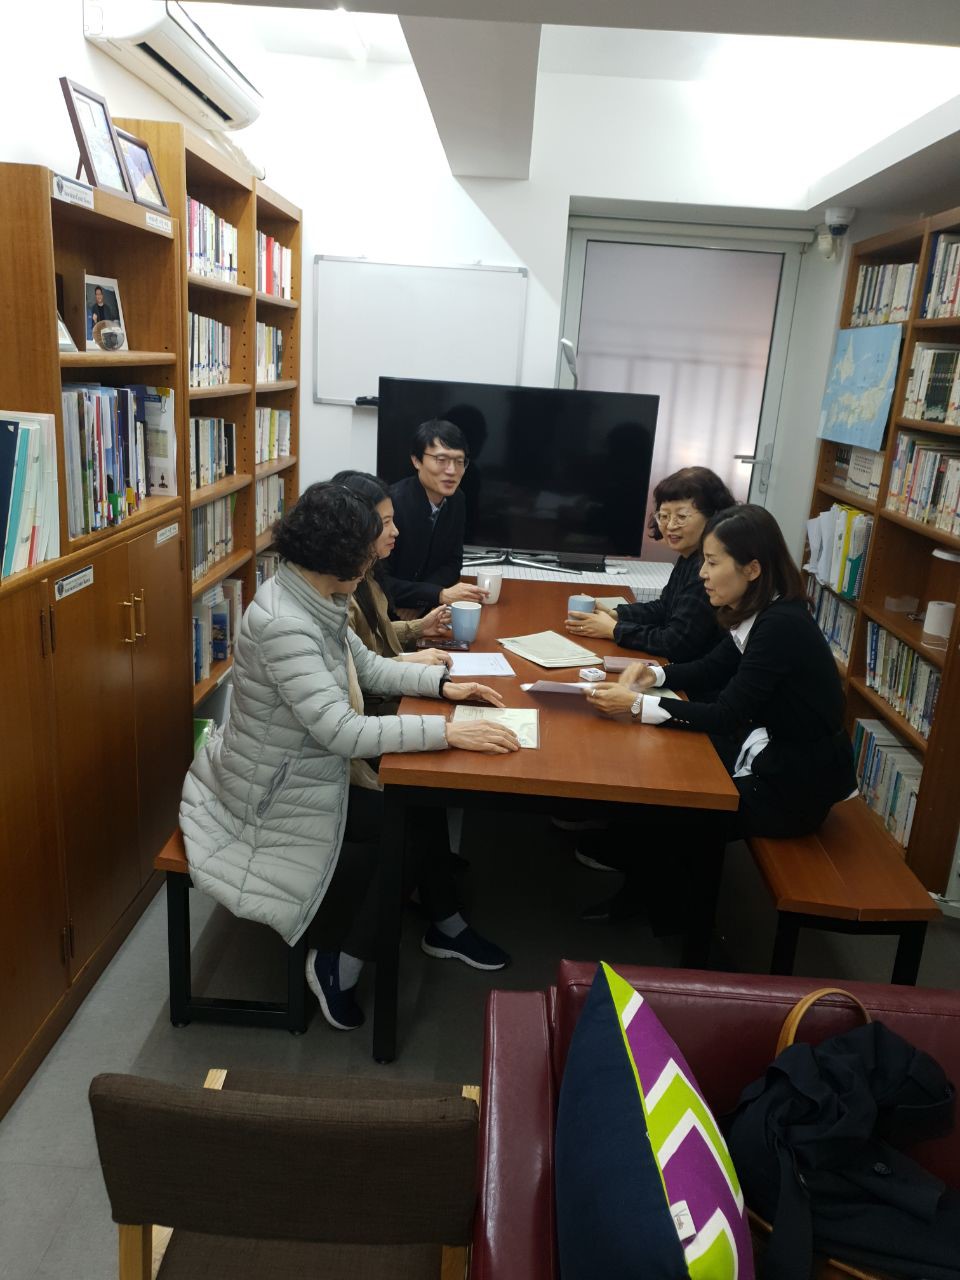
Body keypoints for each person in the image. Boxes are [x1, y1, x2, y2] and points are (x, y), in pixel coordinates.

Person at [180, 482, 520, 1032]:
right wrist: (448, 732)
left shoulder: (314, 596)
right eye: (366, 548)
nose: (374, 558)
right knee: (407, 823)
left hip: (300, 771)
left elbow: (365, 666)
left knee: (417, 809)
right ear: (338, 554)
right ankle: (341, 960)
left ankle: (444, 925)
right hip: (273, 794)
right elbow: (341, 731)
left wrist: (441, 686)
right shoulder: (287, 622)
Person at [577, 504, 857, 925]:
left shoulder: (780, 625)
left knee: (679, 805)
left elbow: (727, 714)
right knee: (662, 769)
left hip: (793, 786)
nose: (703, 574)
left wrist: (635, 705)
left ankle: (665, 912)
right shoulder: (763, 610)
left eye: (712, 563)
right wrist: (653, 674)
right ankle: (638, 866)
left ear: (752, 569)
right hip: (770, 755)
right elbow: (712, 667)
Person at [564, 466, 736, 661]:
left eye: (681, 516)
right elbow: (664, 608)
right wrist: (615, 614)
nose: (670, 526)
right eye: (664, 516)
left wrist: (614, 629)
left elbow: (676, 643)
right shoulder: (689, 557)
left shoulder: (706, 570)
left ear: (713, 517)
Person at [381, 419, 487, 614]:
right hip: (386, 611)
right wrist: (437, 594)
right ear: (416, 460)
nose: (452, 470)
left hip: (427, 608)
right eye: (441, 460)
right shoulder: (391, 505)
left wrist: (428, 598)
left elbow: (453, 562)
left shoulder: (457, 499)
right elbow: (378, 580)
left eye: (459, 461)